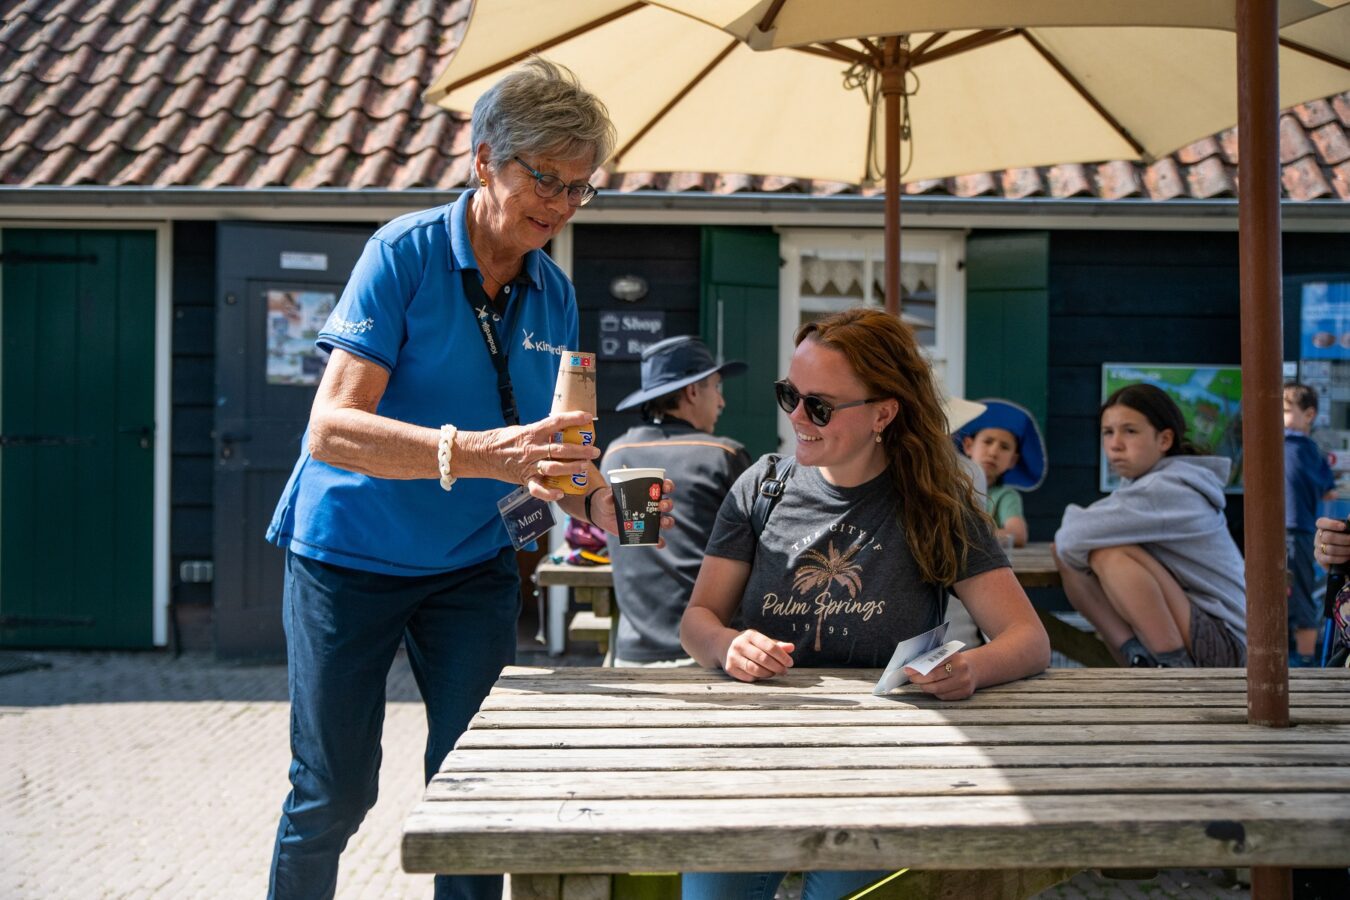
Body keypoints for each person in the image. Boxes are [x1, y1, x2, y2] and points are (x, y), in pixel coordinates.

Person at [262, 59, 673, 900]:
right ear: (485, 158)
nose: (560, 206)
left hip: (470, 566)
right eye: (545, 179)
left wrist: (621, 505)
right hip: (347, 559)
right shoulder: (402, 256)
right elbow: (332, 430)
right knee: (334, 791)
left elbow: (560, 451)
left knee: (478, 789)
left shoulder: (554, 295)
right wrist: (485, 455)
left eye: (579, 188)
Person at [678, 307, 1050, 900]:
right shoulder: (761, 487)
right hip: (754, 761)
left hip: (886, 767)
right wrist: (728, 645)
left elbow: (1028, 641)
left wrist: (971, 668)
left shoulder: (934, 504)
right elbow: (698, 621)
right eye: (789, 395)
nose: (798, 417)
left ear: (883, 411)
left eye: (819, 405)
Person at [1054, 384, 1246, 668]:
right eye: (1108, 432)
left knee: (1110, 554)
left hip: (1225, 643)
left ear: (1164, 439)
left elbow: (1071, 536)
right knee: (1078, 551)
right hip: (1202, 629)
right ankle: (1138, 656)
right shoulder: (1153, 484)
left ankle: (1171, 667)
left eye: (1130, 431)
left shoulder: (1166, 489)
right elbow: (1067, 543)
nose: (1115, 443)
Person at [601, 336, 751, 666]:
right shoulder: (723, 456)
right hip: (710, 651)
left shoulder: (615, 455)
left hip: (631, 655)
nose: (722, 402)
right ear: (692, 391)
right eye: (716, 387)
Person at [1283, 382, 1336, 667]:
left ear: (1310, 415)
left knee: (1299, 592)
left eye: (1287, 410)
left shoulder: (1299, 448)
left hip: (1294, 528)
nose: (1280, 417)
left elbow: (1329, 490)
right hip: (1291, 528)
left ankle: (1304, 660)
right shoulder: (1310, 451)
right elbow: (1329, 490)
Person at [958, 399, 1047, 548]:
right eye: (988, 441)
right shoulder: (950, 488)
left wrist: (964, 534)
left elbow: (1017, 536)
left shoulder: (1005, 496)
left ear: (1013, 460)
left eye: (1004, 447)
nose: (993, 452)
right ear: (968, 446)